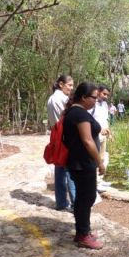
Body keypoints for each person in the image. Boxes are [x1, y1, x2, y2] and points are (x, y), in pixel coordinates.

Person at [63, 82, 105, 249]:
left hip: (80, 162)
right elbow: (87, 141)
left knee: (85, 197)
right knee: (86, 198)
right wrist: (100, 162)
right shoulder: (79, 114)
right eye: (94, 97)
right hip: (82, 163)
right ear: (83, 97)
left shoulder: (76, 112)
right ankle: (82, 235)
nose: (96, 100)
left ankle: (83, 231)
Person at [47, 75, 76, 211]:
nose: (71, 88)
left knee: (59, 169)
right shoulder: (61, 99)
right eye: (69, 85)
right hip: (65, 136)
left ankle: (61, 203)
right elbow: (69, 117)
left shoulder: (52, 98)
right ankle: (76, 203)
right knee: (70, 169)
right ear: (61, 84)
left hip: (56, 136)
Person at [89, 86, 112, 191]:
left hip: (103, 136)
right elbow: (89, 120)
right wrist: (98, 130)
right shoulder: (92, 104)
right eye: (104, 94)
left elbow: (106, 119)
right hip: (95, 136)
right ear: (98, 92)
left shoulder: (105, 105)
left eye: (107, 95)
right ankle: (94, 184)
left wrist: (109, 132)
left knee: (102, 158)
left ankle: (100, 181)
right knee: (95, 159)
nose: (106, 96)